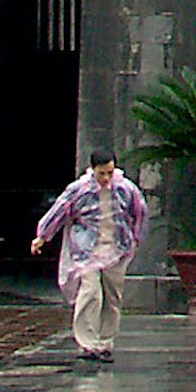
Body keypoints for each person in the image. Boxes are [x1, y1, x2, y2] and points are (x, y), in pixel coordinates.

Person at [30, 153, 148, 365]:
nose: (106, 178)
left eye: (109, 173)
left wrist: (136, 238)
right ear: (93, 169)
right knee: (90, 292)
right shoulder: (79, 189)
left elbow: (139, 211)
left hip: (116, 248)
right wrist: (42, 236)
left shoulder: (125, 188)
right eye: (101, 173)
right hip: (87, 250)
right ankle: (87, 343)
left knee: (112, 296)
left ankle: (105, 341)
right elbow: (59, 210)